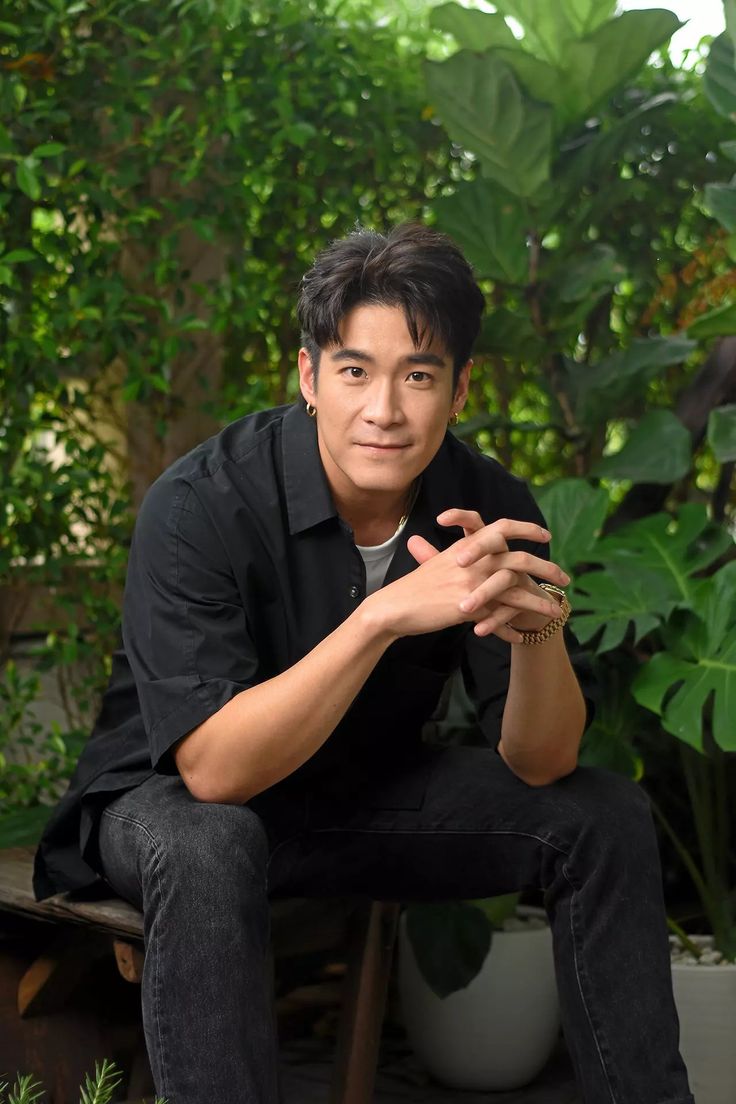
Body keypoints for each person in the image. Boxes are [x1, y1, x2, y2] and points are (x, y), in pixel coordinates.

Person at [34, 223, 693, 1104]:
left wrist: (536, 633)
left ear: (460, 388)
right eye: (354, 371)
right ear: (309, 377)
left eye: (418, 375)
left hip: (358, 797)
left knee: (602, 814)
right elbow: (215, 770)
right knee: (212, 840)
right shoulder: (202, 503)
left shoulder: (485, 503)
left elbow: (542, 764)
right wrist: (384, 615)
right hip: (170, 803)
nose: (383, 410)